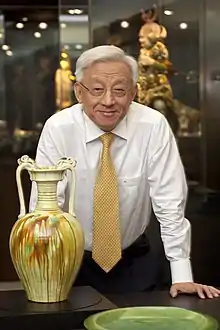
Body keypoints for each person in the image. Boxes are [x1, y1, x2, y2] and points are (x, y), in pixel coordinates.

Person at [30, 45, 220, 299]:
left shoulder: (152, 125)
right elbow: (45, 207)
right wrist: (44, 271)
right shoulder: (59, 128)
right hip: (69, 261)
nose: (108, 101)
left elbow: (170, 201)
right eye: (97, 90)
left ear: (133, 93)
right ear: (79, 92)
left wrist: (182, 275)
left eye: (119, 90)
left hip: (134, 259)